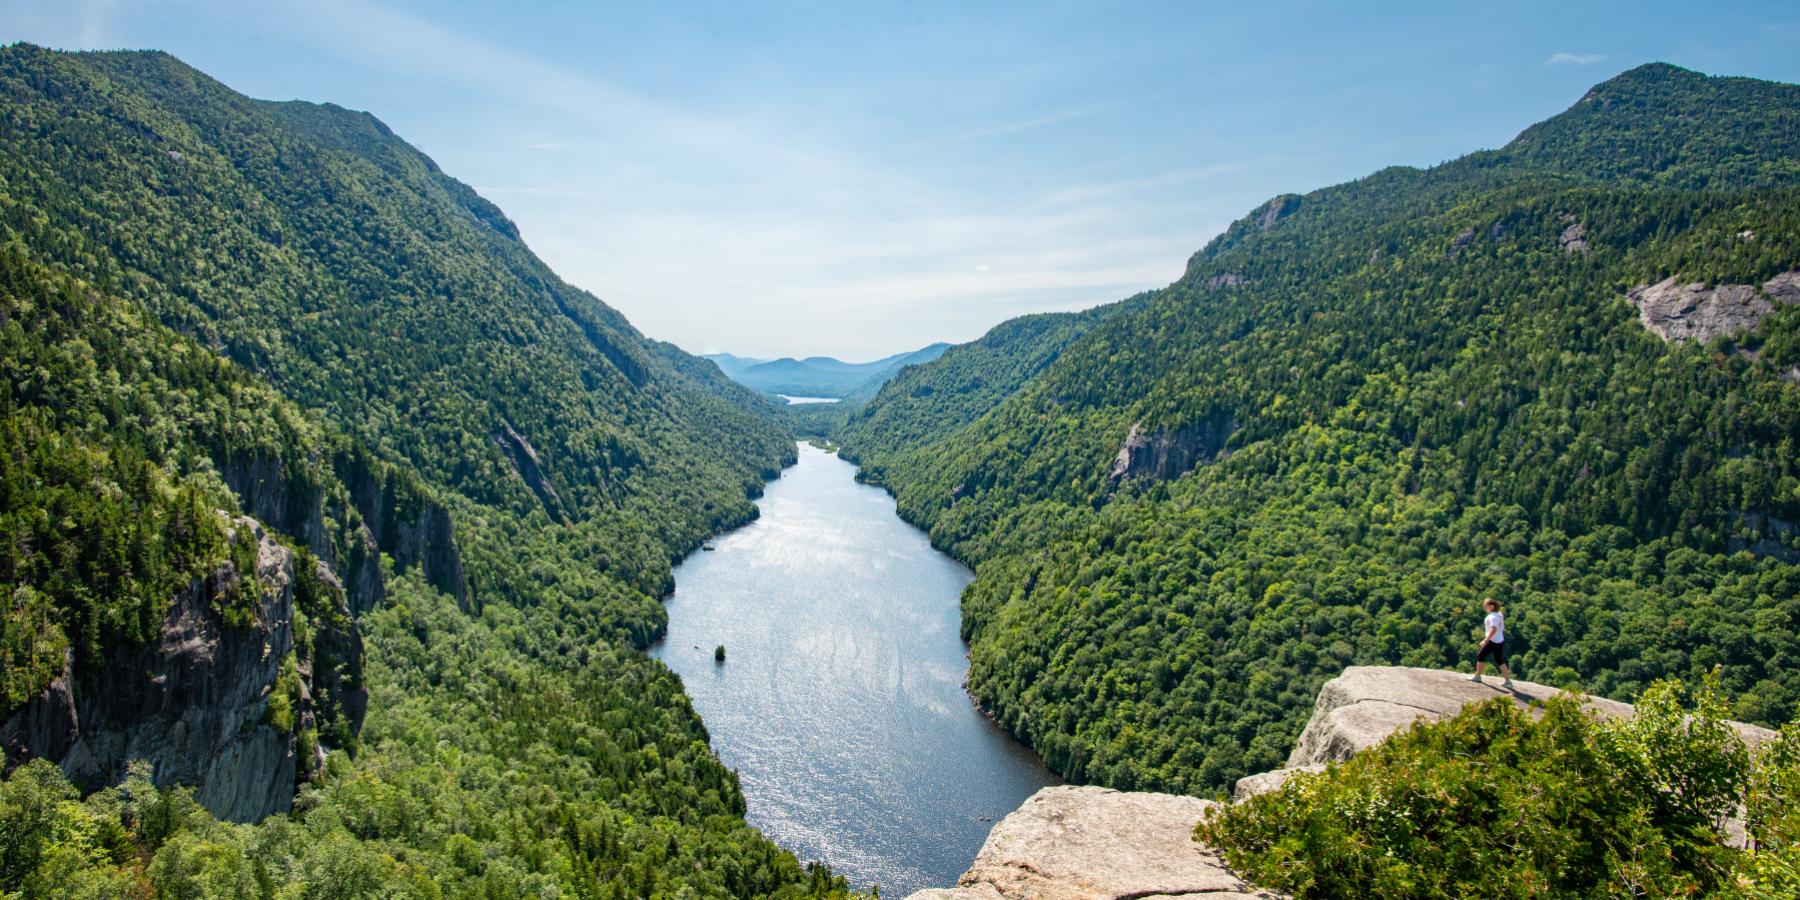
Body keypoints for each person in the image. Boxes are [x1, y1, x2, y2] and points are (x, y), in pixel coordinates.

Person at [1469, 598, 1512, 688]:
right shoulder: (1499, 615)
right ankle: (1508, 682)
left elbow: (1494, 629)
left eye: (1485, 606)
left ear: (1491, 607)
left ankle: (1477, 676)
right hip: (1500, 640)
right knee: (1499, 660)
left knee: (1480, 656)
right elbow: (1501, 627)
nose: (1484, 607)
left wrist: (1486, 640)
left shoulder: (1492, 617)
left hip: (1492, 640)